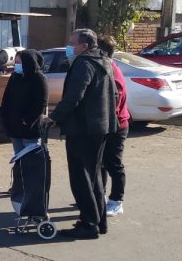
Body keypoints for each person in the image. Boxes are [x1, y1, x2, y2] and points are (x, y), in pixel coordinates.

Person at [46, 29, 117, 239]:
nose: (69, 47)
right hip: (100, 126)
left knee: (81, 177)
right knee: (93, 176)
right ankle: (98, 220)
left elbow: (74, 96)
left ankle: (88, 224)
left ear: (84, 46)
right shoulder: (103, 61)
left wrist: (54, 117)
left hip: (84, 128)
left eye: (72, 43)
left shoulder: (84, 63)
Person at [98, 35, 130, 217]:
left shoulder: (111, 69)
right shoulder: (105, 67)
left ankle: (117, 200)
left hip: (116, 125)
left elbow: (115, 101)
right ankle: (99, 195)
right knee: (101, 162)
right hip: (107, 125)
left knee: (113, 163)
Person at [1, 49, 48, 154]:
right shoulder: (14, 77)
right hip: (14, 127)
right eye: (16, 63)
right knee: (19, 159)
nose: (16, 65)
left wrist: (27, 120)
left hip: (30, 128)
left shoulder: (39, 79)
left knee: (31, 159)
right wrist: (5, 117)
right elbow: (6, 98)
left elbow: (41, 103)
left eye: (19, 62)